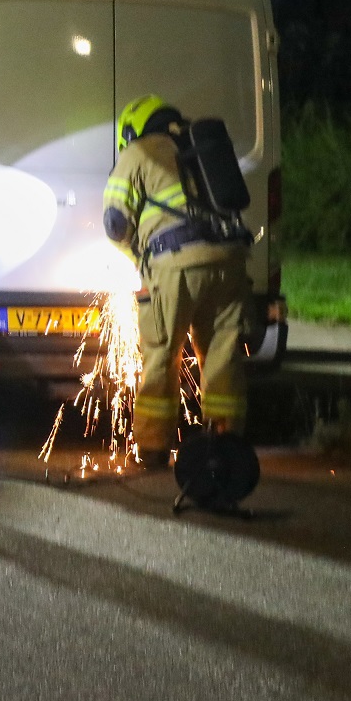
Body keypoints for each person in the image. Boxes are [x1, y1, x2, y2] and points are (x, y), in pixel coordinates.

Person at [102, 94, 253, 456]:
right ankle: (226, 440)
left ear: (131, 131)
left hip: (176, 266)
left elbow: (115, 222)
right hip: (230, 260)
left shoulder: (137, 152)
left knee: (161, 353)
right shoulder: (198, 147)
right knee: (222, 352)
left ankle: (153, 447)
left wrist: (140, 261)